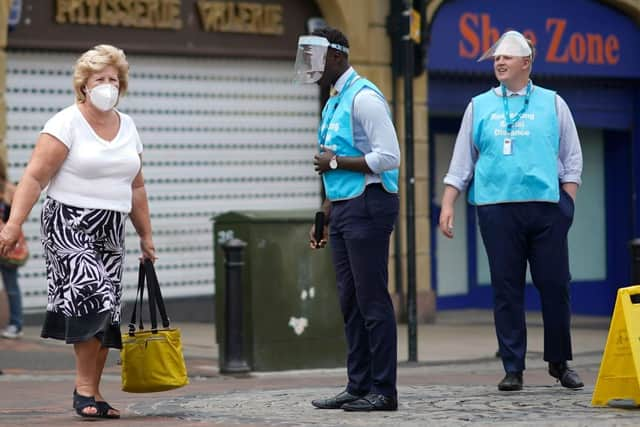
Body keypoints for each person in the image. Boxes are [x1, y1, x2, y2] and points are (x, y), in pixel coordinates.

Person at [0, 44, 155, 419]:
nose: (107, 86)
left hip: (110, 225)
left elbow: (136, 187)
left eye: (113, 80)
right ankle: (83, 389)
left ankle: (94, 393)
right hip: (69, 221)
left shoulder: (128, 125)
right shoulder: (65, 123)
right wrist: (14, 223)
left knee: (108, 311)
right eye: (100, 79)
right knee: (92, 296)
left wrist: (146, 235)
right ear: (84, 86)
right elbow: (35, 177)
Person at [438, 31, 584, 392]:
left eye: (507, 57)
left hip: (547, 209)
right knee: (506, 289)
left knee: (555, 286)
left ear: (526, 63)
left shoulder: (553, 103)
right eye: (495, 58)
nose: (499, 62)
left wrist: (567, 204)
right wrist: (448, 203)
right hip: (496, 209)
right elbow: (461, 163)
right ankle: (513, 366)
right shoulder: (479, 106)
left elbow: (572, 159)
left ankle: (559, 362)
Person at [295, 27, 401, 411]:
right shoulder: (334, 100)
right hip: (343, 208)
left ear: (336, 57)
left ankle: (384, 391)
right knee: (350, 301)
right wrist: (324, 213)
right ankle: (358, 385)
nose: (310, 65)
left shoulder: (365, 98)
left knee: (372, 300)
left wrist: (336, 162)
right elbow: (331, 168)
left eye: (315, 57)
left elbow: (389, 157)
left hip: (370, 205)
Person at [0, 175, 23, 340]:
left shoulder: (8, 188)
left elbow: (19, 216)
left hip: (5, 244)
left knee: (11, 287)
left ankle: (16, 324)